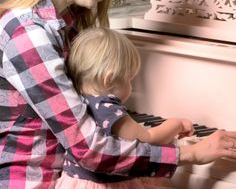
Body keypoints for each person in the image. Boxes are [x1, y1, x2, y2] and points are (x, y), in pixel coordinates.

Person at [0, 0, 236, 188]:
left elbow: (98, 122)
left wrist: (158, 135)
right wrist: (189, 152)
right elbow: (91, 149)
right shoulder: (28, 34)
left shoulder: (67, 27)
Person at [57, 27, 197, 188]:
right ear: (108, 80)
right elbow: (146, 138)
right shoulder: (106, 108)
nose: (130, 86)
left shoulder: (77, 100)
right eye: (129, 79)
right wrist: (175, 124)